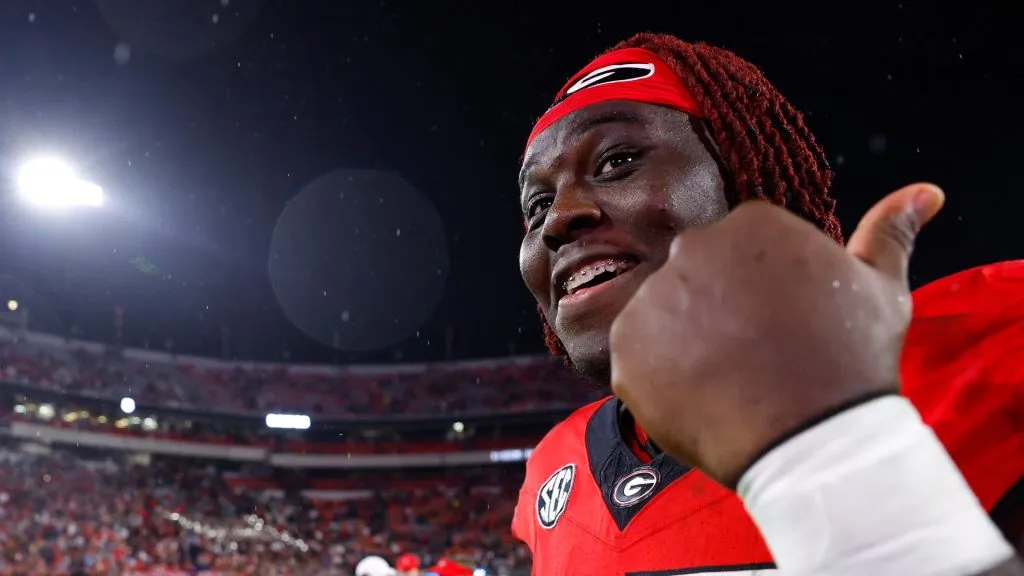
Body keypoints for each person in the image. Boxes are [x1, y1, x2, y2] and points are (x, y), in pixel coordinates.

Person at [513, 32, 1024, 575]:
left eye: (618, 162)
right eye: (537, 203)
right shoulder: (556, 468)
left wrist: (841, 451)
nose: (558, 218)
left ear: (747, 183)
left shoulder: (988, 352)